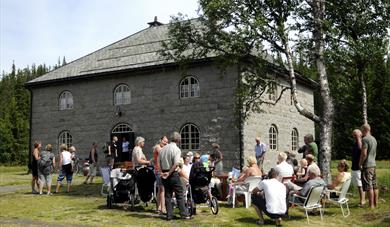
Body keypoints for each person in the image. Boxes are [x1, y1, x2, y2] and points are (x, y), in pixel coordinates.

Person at [158, 132, 190, 220]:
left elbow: (158, 162)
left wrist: (162, 172)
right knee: (179, 193)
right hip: (172, 173)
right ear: (178, 140)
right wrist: (169, 173)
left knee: (167, 195)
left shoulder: (163, 149)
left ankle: (169, 215)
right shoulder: (176, 149)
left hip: (164, 172)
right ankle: (184, 214)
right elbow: (176, 163)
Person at [359, 123, 378, 209]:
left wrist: (360, 163)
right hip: (373, 164)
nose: (361, 132)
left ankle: (371, 206)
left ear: (365, 130)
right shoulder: (374, 139)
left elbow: (364, 153)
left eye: (362, 130)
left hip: (367, 165)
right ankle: (375, 203)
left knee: (369, 186)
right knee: (374, 185)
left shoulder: (365, 139)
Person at [153, 136, 168, 215]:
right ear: (161, 140)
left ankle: (158, 208)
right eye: (164, 141)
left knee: (160, 190)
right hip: (159, 170)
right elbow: (162, 153)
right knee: (162, 189)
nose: (166, 143)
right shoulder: (157, 147)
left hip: (160, 170)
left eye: (167, 142)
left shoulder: (162, 147)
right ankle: (163, 208)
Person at [351, 129, 366, 207]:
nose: (354, 136)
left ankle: (362, 201)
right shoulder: (356, 142)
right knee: (358, 184)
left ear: (360, 135)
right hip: (354, 166)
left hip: (358, 167)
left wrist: (358, 137)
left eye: (355, 134)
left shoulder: (361, 142)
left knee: (360, 185)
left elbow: (361, 149)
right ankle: (362, 199)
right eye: (354, 135)